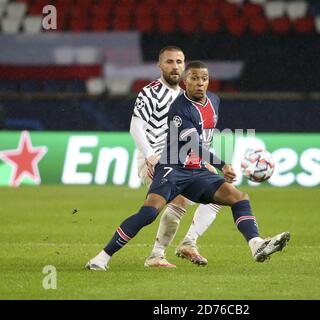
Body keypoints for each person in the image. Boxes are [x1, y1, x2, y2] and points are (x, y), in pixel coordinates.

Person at [85, 61, 290, 271]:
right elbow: (192, 143)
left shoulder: (214, 101)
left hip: (196, 171)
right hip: (172, 169)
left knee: (238, 198)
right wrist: (220, 164)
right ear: (185, 81)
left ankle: (256, 245)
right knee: (149, 213)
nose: (200, 83)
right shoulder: (179, 109)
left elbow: (203, 139)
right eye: (194, 78)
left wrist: (206, 164)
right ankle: (101, 258)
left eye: (204, 78)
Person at [130, 46, 220, 268]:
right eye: (169, 62)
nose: (175, 66)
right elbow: (135, 126)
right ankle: (157, 255)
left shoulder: (186, 96)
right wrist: (150, 155)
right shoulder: (150, 92)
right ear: (159, 65)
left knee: (218, 189)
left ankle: (188, 243)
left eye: (179, 62)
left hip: (183, 157)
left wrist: (206, 161)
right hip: (156, 158)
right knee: (180, 200)